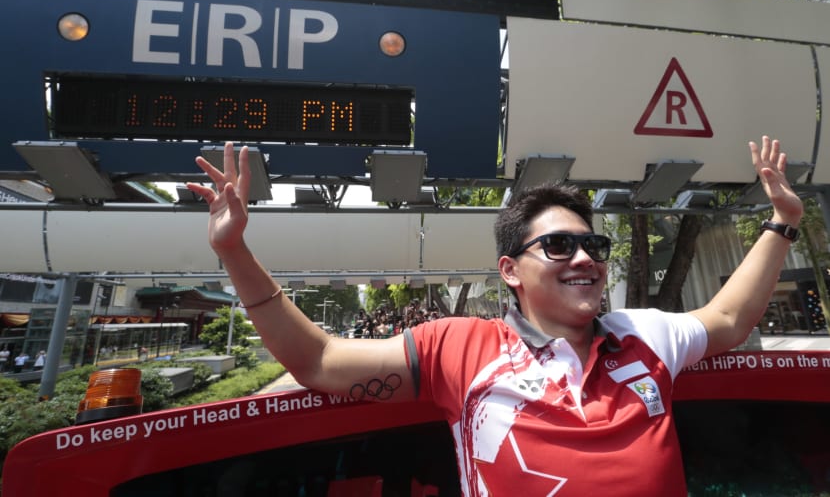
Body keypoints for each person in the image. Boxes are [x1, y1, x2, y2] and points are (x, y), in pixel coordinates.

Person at [187, 135, 803, 495]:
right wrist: (235, 251)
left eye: (594, 246)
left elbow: (730, 317)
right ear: (511, 271)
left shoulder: (645, 333)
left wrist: (782, 224)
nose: (585, 257)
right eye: (559, 246)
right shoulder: (459, 347)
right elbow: (318, 361)